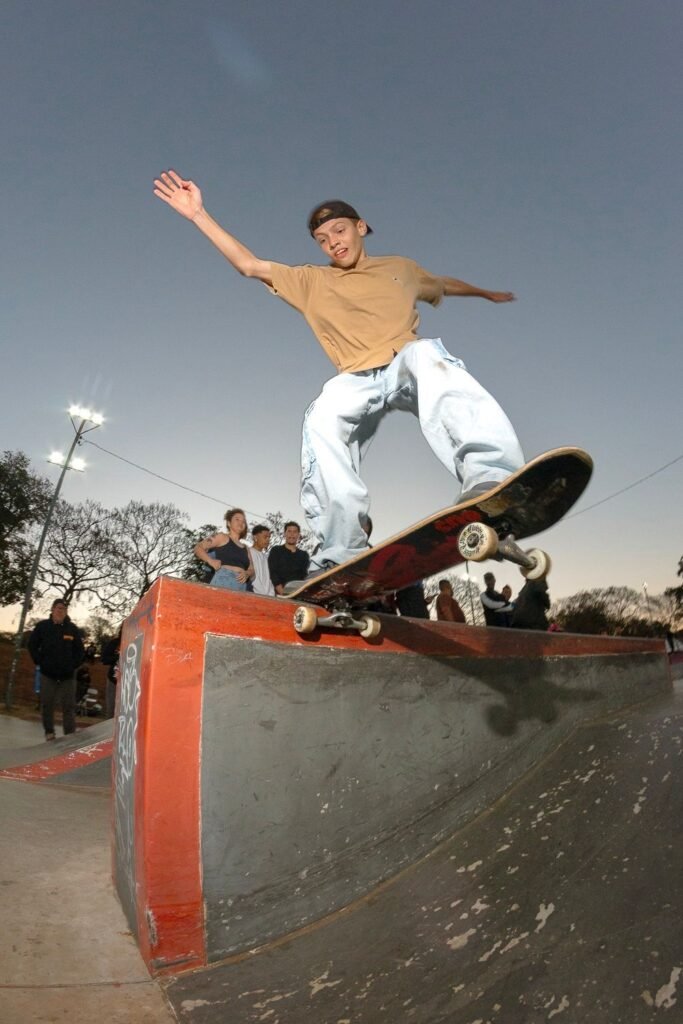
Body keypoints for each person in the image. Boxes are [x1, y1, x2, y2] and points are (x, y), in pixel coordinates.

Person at [153, 173, 524, 575]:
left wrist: (484, 292)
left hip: (403, 360)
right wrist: (198, 215)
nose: (334, 243)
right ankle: (341, 546)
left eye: (340, 231)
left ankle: (491, 477)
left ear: (361, 227)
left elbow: (443, 284)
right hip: (356, 378)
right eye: (324, 240)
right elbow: (249, 265)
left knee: (429, 357)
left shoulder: (400, 267)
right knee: (321, 417)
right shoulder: (311, 280)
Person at [28, 598, 85, 741]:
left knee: (69, 707)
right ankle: (49, 733)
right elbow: (32, 645)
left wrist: (73, 665)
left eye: (64, 609)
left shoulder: (72, 629)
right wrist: (40, 661)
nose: (61, 611)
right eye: (58, 608)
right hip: (48, 674)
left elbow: (80, 651)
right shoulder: (43, 626)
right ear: (52, 610)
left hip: (68, 676)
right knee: (47, 704)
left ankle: (70, 736)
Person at [194, 508, 254, 592]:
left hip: (241, 586)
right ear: (229, 523)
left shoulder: (246, 548)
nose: (241, 523)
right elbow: (198, 548)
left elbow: (252, 569)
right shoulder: (222, 537)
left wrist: (247, 573)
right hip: (223, 580)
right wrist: (210, 561)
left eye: (243, 521)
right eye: (237, 519)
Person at [268, 521, 310, 595]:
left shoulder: (304, 555)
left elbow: (305, 575)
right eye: (289, 531)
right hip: (279, 594)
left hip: (298, 593)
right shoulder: (276, 550)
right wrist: (282, 592)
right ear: (285, 534)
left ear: (298, 535)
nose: (292, 534)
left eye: (295, 532)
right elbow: (272, 572)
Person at [101, 626, 123, 719]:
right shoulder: (115, 643)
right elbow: (104, 659)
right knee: (111, 710)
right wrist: (118, 657)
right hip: (113, 681)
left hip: (129, 682)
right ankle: (110, 732)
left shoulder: (135, 640)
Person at [249, 524, 275, 597]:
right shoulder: (249, 552)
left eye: (269, 537)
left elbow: (268, 578)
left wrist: (271, 594)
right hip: (255, 595)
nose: (268, 540)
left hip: (268, 597)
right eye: (265, 537)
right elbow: (253, 578)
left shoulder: (265, 557)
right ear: (255, 537)